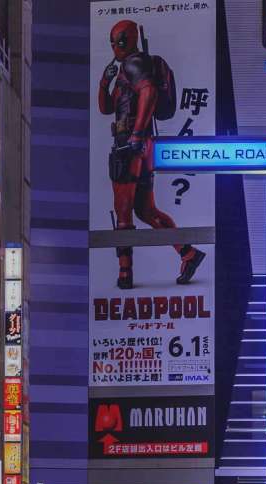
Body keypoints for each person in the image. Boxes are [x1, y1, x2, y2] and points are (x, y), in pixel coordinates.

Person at [96, 18, 204, 291]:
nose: (115, 46)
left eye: (119, 40)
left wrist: (135, 135)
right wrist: (103, 83)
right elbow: (107, 108)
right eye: (112, 40)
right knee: (146, 210)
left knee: (123, 213)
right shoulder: (126, 68)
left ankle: (125, 273)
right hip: (140, 145)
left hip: (130, 144)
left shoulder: (134, 63)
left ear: (130, 39)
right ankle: (188, 253)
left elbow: (149, 93)